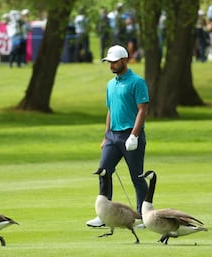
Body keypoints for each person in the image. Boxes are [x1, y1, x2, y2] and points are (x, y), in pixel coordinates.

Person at [86, 45, 149, 227]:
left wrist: (134, 135)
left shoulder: (137, 82)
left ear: (124, 60)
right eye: (109, 62)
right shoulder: (110, 84)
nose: (111, 65)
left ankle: (143, 217)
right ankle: (105, 215)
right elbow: (110, 111)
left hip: (131, 135)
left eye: (114, 62)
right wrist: (106, 136)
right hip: (113, 137)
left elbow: (142, 110)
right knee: (104, 172)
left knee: (137, 177)